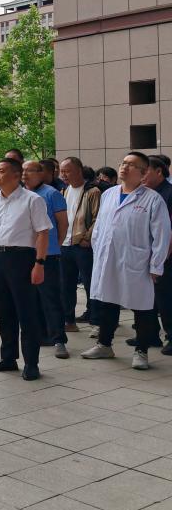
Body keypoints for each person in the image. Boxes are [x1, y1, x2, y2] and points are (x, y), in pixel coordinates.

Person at [81, 152, 171, 370]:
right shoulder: (109, 194)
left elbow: (162, 235)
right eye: (123, 163)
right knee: (108, 302)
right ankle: (104, 344)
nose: (124, 167)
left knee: (142, 307)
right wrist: (97, 250)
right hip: (108, 258)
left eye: (131, 165)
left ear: (143, 172)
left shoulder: (152, 199)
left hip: (138, 262)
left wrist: (156, 265)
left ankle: (141, 351)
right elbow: (100, 226)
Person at [0, 157, 52, 380]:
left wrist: (39, 264)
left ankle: (31, 363)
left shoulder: (33, 200)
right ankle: (8, 358)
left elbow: (43, 233)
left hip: (22, 259)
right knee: (3, 313)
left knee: (27, 313)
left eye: (1, 171)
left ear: (16, 175)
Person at [23, 161, 70, 359]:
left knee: (50, 297)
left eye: (29, 171)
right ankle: (41, 335)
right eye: (22, 170)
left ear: (41, 173)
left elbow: (63, 223)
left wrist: (55, 245)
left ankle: (59, 339)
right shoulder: (19, 194)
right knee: (31, 299)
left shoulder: (51, 194)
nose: (25, 174)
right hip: (24, 254)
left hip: (47, 255)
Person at [60, 157, 101, 331]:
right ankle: (69, 321)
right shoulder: (63, 190)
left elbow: (98, 217)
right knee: (66, 285)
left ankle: (96, 321)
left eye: (67, 171)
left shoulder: (92, 191)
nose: (63, 175)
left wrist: (87, 238)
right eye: (61, 171)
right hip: (65, 245)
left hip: (83, 246)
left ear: (79, 171)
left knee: (91, 284)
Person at [137, 156, 172, 353]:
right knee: (147, 297)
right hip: (146, 254)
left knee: (166, 298)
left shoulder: (169, 193)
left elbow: (168, 231)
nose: (142, 176)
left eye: (146, 171)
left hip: (165, 256)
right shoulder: (144, 193)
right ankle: (150, 334)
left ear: (159, 172)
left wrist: (162, 257)